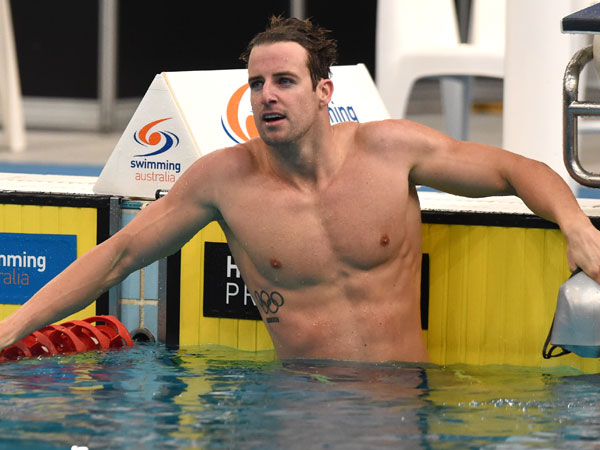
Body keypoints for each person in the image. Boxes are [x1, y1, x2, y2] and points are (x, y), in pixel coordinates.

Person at [2, 16, 600, 362]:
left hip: (399, 401)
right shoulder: (224, 179)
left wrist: (575, 224)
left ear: (323, 91)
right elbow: (118, 256)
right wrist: (10, 329)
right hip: (301, 403)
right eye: (256, 83)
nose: (267, 95)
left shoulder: (391, 150)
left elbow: (516, 170)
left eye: (284, 81)